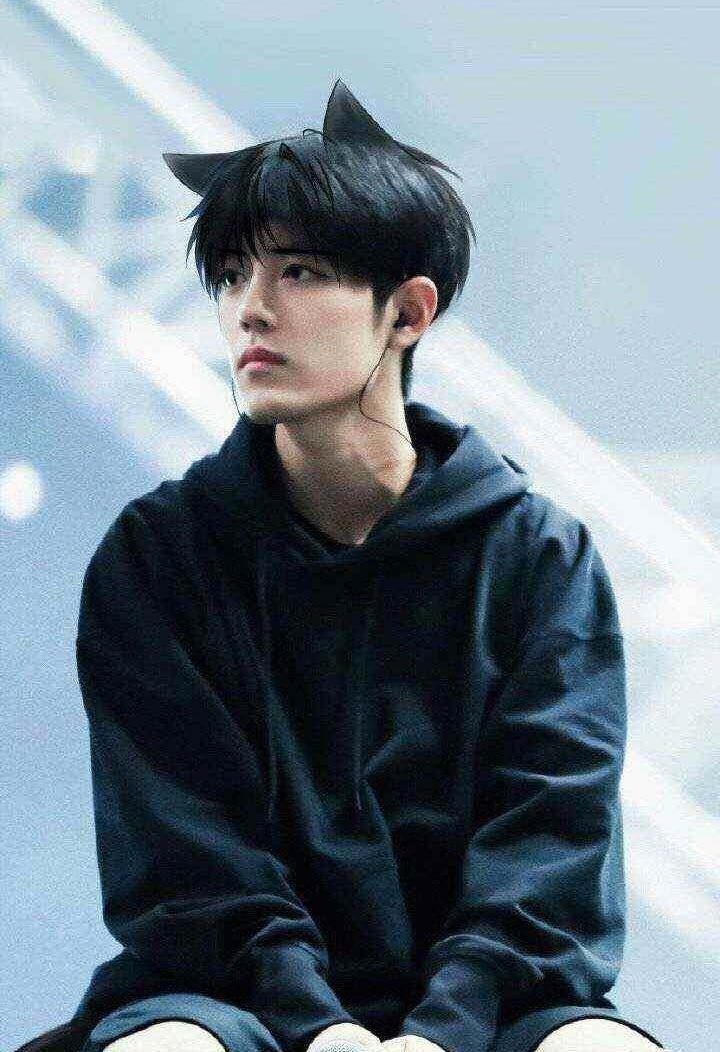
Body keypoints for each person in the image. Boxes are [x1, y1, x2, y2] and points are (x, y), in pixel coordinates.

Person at [16, 80, 668, 1052]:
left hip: (492, 1013)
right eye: (231, 274)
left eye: (299, 272)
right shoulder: (158, 555)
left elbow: (550, 844)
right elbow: (192, 869)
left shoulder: (540, 557)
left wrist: (441, 1031)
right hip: (228, 1001)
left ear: (407, 312)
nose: (250, 309)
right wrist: (321, 1030)